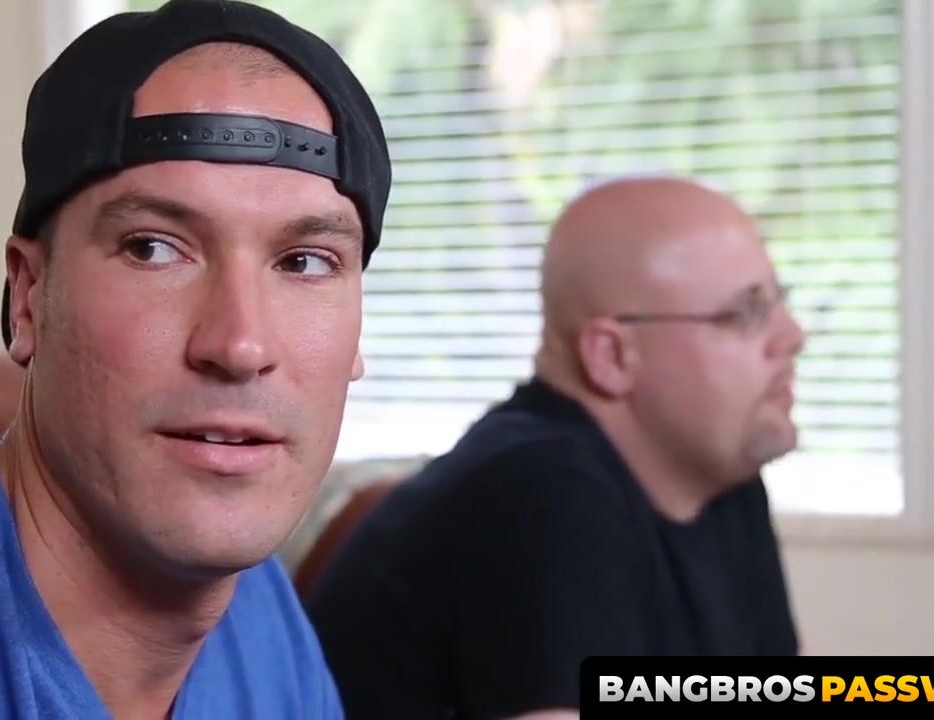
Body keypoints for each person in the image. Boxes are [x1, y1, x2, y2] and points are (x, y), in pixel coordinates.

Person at [0, 1, 390, 717]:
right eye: (153, 248)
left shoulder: (252, 603)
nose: (239, 345)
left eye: (304, 261)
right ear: (28, 298)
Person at [306, 176, 805, 719]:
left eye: (778, 301)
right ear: (612, 356)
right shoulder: (541, 495)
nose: (792, 336)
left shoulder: (717, 476)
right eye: (746, 314)